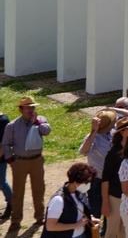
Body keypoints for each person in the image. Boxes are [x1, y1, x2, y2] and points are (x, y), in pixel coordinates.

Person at [4, 95, 52, 230]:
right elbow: (6, 144)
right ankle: (16, 220)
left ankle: (39, 217)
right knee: (18, 192)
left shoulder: (40, 120)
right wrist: (11, 160)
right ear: (21, 109)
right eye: (27, 108)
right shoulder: (12, 125)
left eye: (32, 107)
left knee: (39, 190)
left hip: (37, 160)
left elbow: (47, 131)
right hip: (20, 162)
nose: (30, 110)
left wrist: (36, 121)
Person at [78, 110, 115, 224]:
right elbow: (83, 151)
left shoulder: (113, 134)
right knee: (96, 207)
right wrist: (93, 131)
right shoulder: (93, 138)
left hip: (111, 177)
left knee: (111, 207)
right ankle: (95, 232)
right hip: (97, 179)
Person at [43, 162, 99, 238]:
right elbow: (50, 226)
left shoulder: (80, 193)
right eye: (86, 182)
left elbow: (77, 213)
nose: (89, 184)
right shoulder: (58, 200)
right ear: (75, 182)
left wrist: (89, 218)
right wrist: (75, 225)